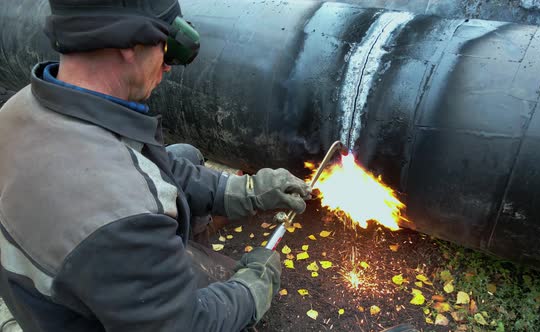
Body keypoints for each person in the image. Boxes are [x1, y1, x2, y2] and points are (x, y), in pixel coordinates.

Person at [0, 0, 311, 331]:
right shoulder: (118, 218)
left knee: (185, 154)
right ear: (129, 43)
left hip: (60, 282)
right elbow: (185, 324)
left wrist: (245, 191)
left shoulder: (25, 107)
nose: (168, 66)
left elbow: (146, 163)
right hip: (87, 314)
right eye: (168, 46)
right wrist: (250, 292)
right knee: (221, 288)